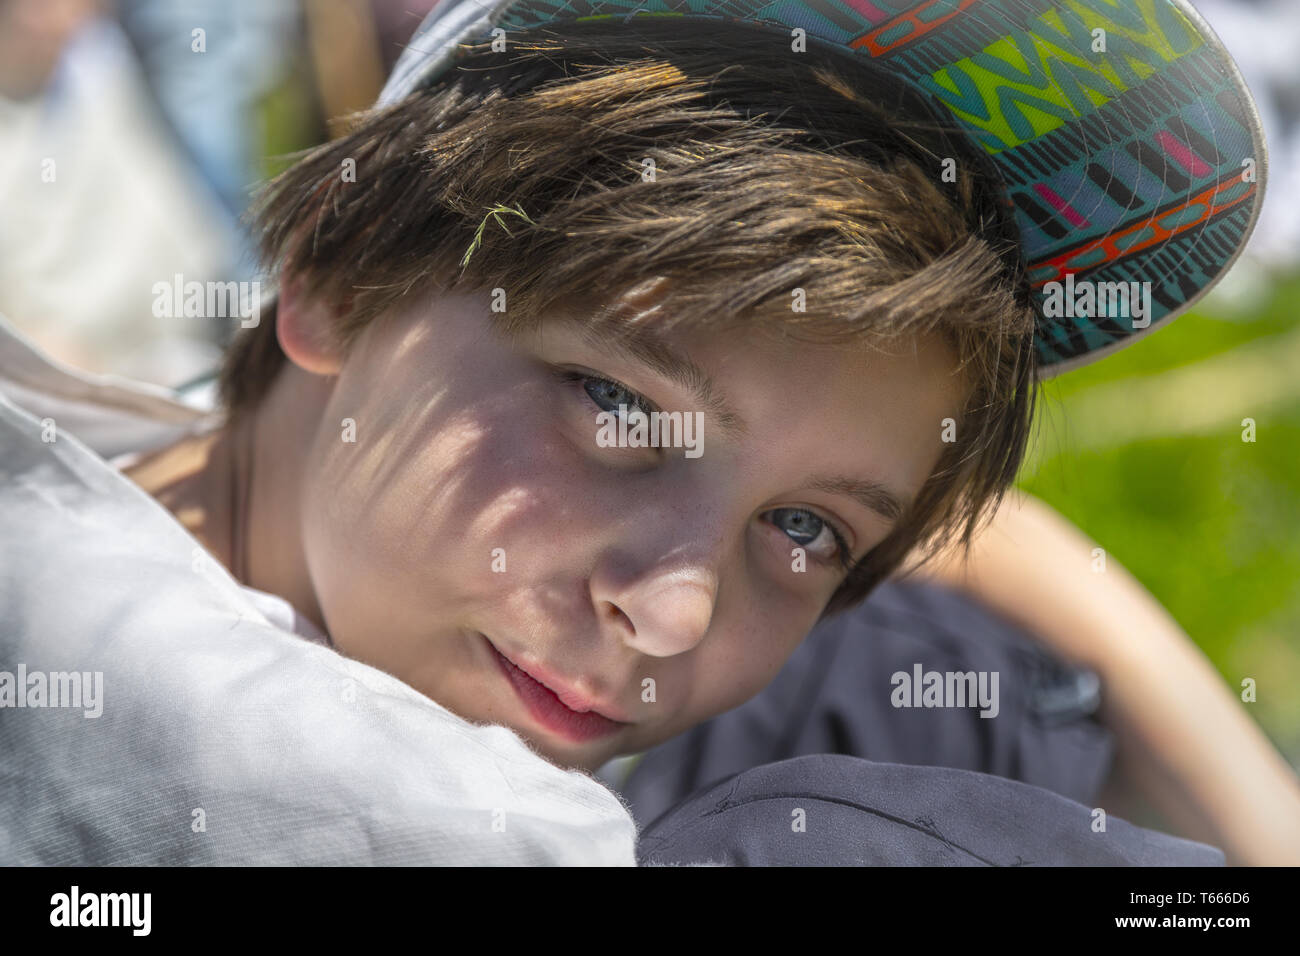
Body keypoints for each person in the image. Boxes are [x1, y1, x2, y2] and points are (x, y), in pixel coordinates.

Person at [2, 0, 1295, 865]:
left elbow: (987, 542)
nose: (672, 617)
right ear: (340, 270)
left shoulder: (217, 477)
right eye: (619, 405)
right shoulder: (359, 809)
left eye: (806, 526)